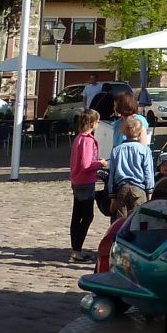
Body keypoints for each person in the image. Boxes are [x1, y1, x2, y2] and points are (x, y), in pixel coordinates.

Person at [68, 110, 104, 260]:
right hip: (85, 181)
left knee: (77, 215)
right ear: (91, 124)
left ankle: (75, 249)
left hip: (77, 180)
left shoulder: (78, 138)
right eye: (96, 122)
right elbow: (86, 165)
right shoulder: (87, 140)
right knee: (87, 216)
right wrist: (100, 164)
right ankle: (77, 249)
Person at [106, 115, 155, 215]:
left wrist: (112, 196)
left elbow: (112, 174)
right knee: (138, 222)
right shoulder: (144, 150)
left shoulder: (117, 150)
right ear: (140, 132)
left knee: (122, 223)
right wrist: (150, 191)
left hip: (122, 189)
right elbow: (148, 172)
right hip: (139, 189)